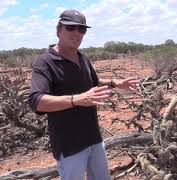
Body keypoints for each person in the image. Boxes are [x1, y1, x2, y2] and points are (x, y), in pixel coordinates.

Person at [28, 9, 139, 180]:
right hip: (69, 145)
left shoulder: (82, 57)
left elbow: (93, 82)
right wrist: (77, 99)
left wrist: (115, 83)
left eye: (82, 29)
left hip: (94, 138)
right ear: (58, 30)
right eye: (70, 28)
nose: (76, 33)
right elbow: (37, 101)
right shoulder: (45, 62)